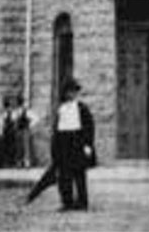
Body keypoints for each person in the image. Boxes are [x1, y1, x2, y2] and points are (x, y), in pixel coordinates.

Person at [52, 79, 95, 210]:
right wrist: (55, 148)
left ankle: (82, 202)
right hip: (64, 143)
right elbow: (56, 130)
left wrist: (88, 145)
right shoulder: (61, 109)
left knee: (79, 174)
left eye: (74, 92)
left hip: (77, 142)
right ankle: (67, 202)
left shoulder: (82, 108)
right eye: (69, 92)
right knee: (64, 175)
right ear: (65, 93)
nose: (71, 94)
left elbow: (89, 127)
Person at [10, 95, 38, 168]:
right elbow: (13, 119)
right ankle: (18, 162)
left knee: (26, 147)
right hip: (18, 130)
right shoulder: (16, 111)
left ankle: (27, 162)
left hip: (25, 130)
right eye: (19, 101)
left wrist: (30, 125)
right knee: (18, 146)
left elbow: (36, 118)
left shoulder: (27, 110)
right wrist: (15, 124)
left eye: (21, 101)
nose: (19, 102)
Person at [0, 96, 17, 168]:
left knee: (11, 144)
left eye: (8, 105)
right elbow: (0, 123)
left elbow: (14, 122)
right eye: (6, 105)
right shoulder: (1, 113)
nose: (7, 107)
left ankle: (11, 162)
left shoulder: (13, 113)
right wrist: (0, 132)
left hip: (11, 132)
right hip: (3, 132)